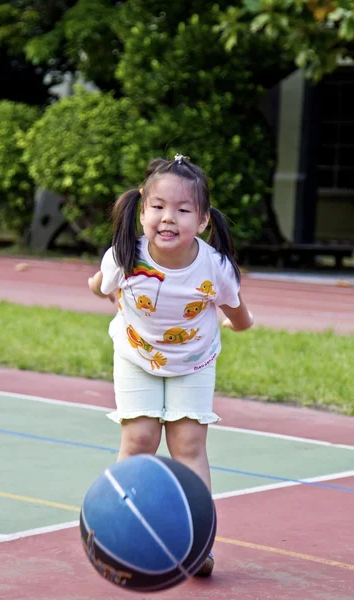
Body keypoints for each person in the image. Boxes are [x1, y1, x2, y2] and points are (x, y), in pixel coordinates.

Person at [88, 154, 253, 576]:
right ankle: (116, 531)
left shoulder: (213, 267)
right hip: (136, 356)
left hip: (193, 363)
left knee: (189, 446)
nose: (168, 218)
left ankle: (199, 542)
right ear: (142, 209)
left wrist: (242, 324)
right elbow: (101, 286)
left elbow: (236, 310)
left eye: (183, 210)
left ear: (202, 221)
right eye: (158, 207)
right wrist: (100, 284)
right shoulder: (125, 255)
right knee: (139, 438)